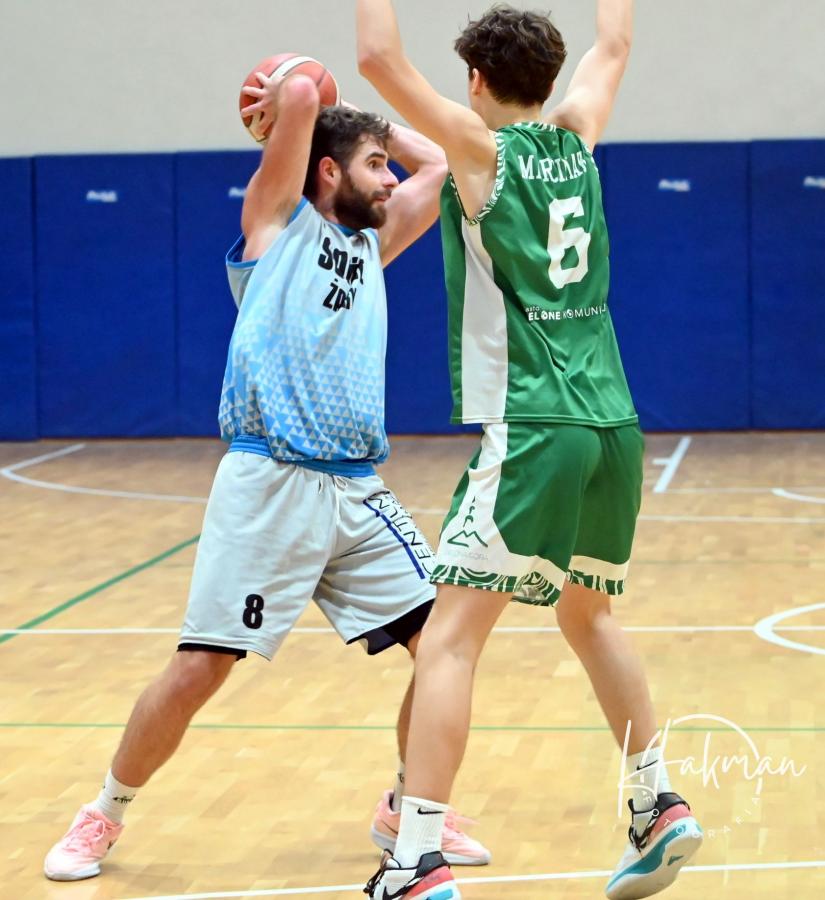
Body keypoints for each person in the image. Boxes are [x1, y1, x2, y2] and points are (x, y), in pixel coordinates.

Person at [43, 69, 491, 882]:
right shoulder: (274, 228)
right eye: (372, 166)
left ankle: (407, 805)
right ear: (327, 170)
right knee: (200, 669)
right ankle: (103, 812)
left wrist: (368, 125)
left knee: (441, 646)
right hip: (269, 483)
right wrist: (301, 89)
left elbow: (438, 166)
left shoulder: (373, 244)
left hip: (356, 488)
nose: (389, 178)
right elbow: (300, 102)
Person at [356, 2, 703, 898]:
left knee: (447, 641)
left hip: (535, 426)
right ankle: (654, 800)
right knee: (588, 617)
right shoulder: (577, 137)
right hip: (612, 425)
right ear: (547, 80)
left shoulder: (482, 153)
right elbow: (614, 41)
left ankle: (415, 856)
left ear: (476, 79)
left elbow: (377, 58)